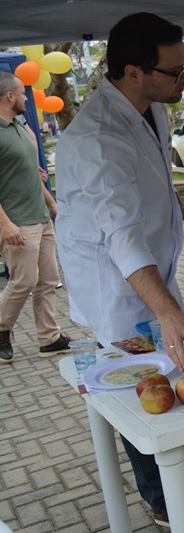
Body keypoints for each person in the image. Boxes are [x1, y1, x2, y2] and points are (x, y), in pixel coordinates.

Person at [55, 13, 184, 533]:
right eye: (174, 71)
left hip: (147, 263)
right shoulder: (98, 136)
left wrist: (174, 209)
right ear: (132, 70)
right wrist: (167, 309)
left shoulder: (149, 108)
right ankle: (159, 491)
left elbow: (147, 180)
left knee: (178, 358)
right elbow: (119, 234)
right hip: (114, 279)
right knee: (139, 382)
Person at [0, 72, 71, 363]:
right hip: (17, 221)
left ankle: (49, 338)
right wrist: (5, 225)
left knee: (48, 279)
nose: (26, 98)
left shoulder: (20, 128)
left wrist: (52, 204)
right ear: (9, 96)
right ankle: (1, 329)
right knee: (24, 281)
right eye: (22, 93)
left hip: (40, 216)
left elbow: (32, 171)